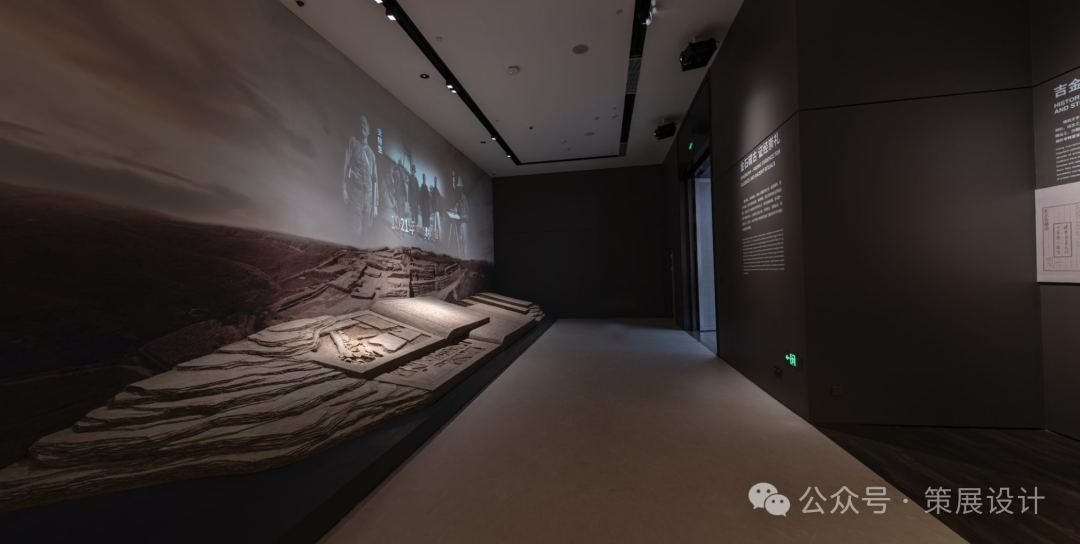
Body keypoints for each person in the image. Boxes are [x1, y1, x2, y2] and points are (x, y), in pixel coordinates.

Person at [342, 116, 378, 237]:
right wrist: (343, 188)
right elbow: (346, 164)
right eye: (360, 124)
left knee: (366, 231)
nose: (362, 126)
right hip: (355, 193)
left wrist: (375, 205)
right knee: (354, 229)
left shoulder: (372, 154)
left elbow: (375, 181)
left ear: (368, 130)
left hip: (369, 196)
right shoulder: (353, 142)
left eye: (365, 124)